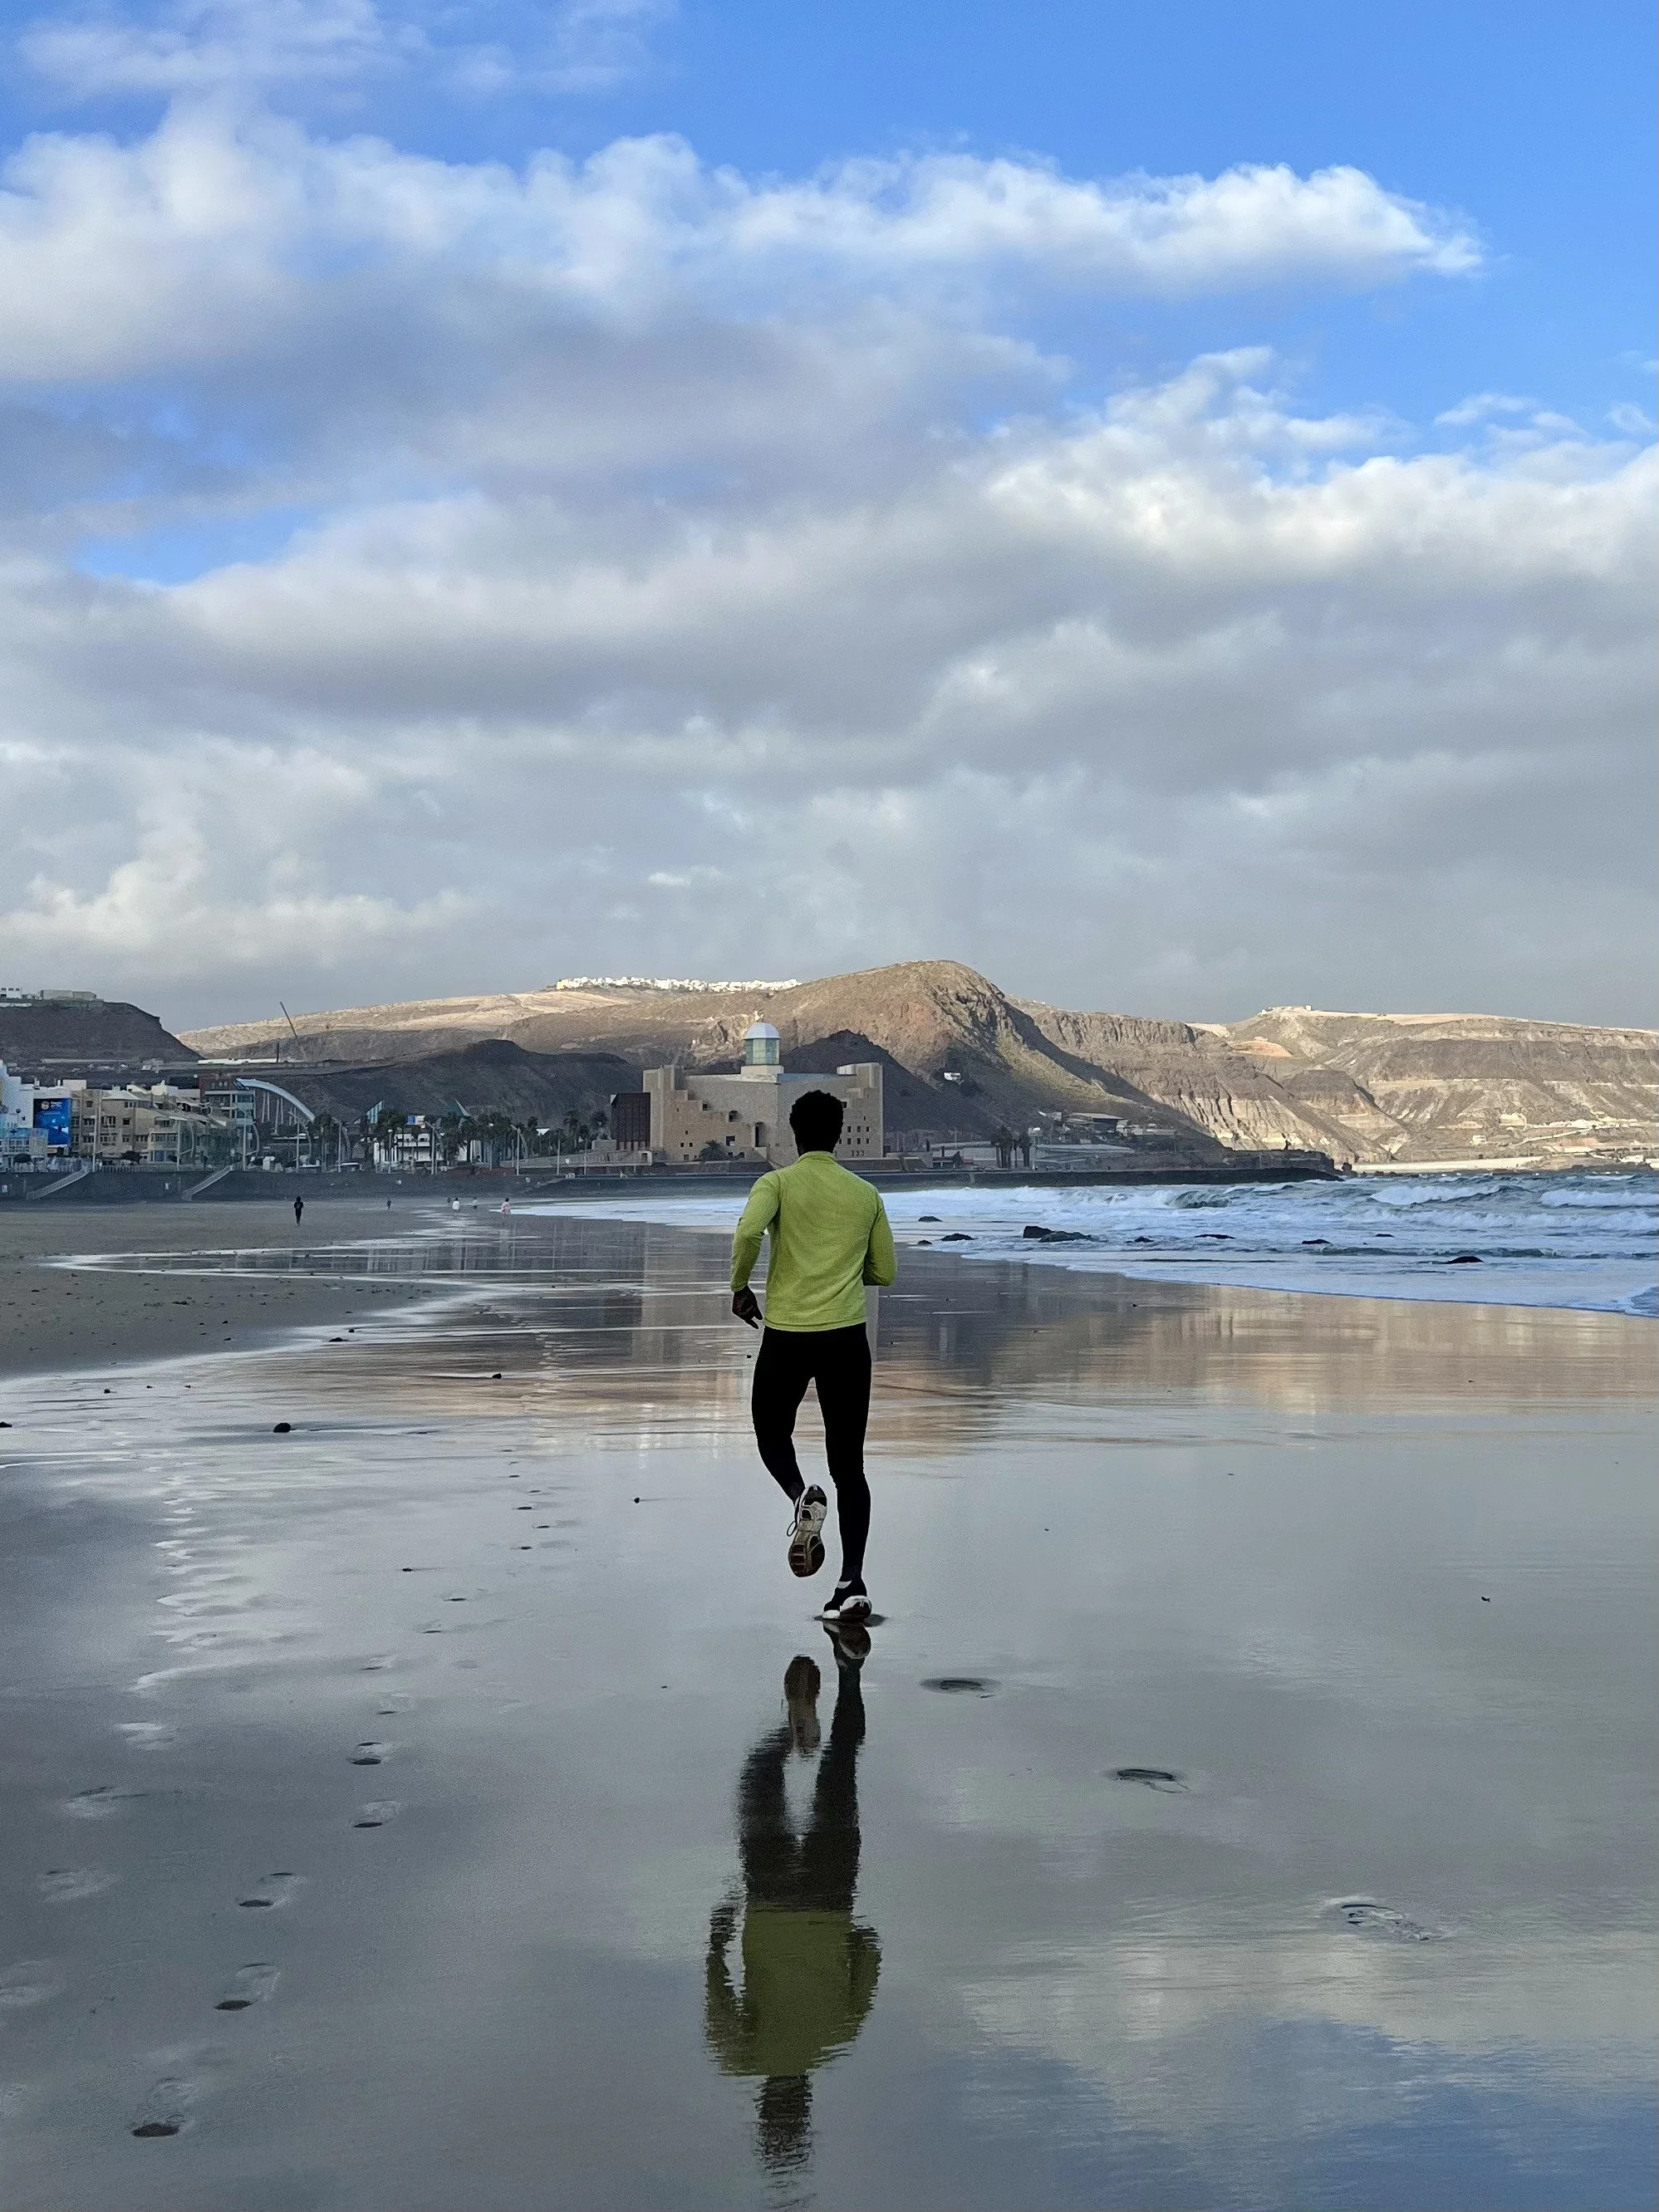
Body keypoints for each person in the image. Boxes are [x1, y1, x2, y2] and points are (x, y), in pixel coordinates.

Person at [705, 1634, 877, 2182]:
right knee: (759, 1779)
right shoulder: (742, 2058)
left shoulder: (839, 2035)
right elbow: (717, 1991)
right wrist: (719, 1931)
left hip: (830, 1897)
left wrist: (848, 1932)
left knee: (842, 1766)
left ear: (806, 2099)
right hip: (770, 1901)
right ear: (765, 2101)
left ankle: (849, 1672)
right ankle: (787, 1735)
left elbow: (870, 1955)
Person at [731, 1091, 895, 1622]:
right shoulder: (866, 1194)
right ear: (839, 1133)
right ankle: (852, 1584)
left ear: (794, 1133)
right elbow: (885, 1271)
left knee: (771, 1434)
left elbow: (748, 1232)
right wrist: (844, 1271)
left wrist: (740, 1287)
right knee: (850, 1467)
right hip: (847, 1339)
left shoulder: (777, 1183)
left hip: (788, 1336)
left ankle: (802, 1497)